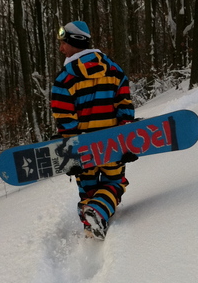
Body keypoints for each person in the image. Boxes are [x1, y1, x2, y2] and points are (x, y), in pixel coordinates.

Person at [51, 20, 135, 239]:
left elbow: (65, 119)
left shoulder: (64, 79)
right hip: (113, 144)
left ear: (73, 42)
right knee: (115, 182)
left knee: (88, 187)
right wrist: (126, 137)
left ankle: (90, 224)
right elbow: (124, 105)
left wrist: (70, 152)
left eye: (63, 43)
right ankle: (98, 212)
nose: (61, 49)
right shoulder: (114, 69)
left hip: (83, 149)